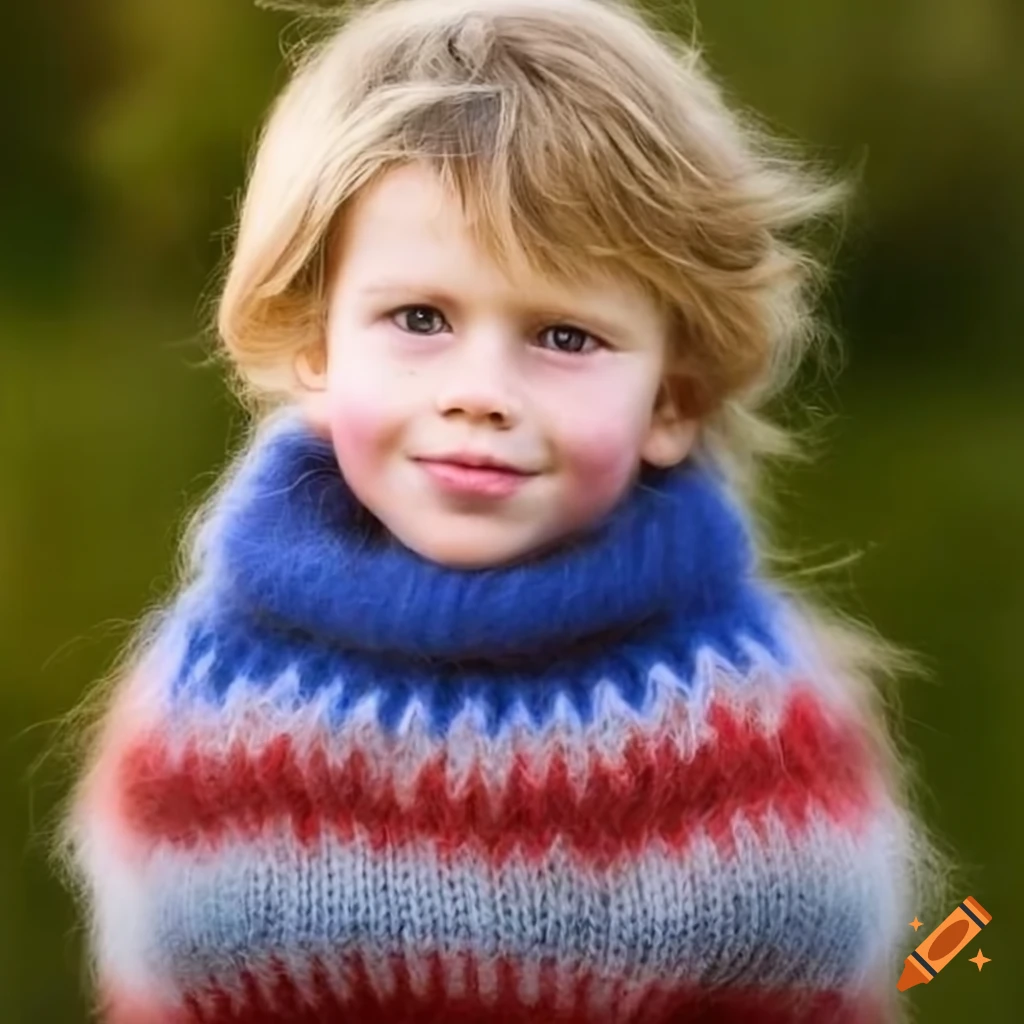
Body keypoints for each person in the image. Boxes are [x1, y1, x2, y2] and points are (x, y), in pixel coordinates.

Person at [60, 0, 942, 1020]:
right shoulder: (198, 715)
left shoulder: (760, 739)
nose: (480, 389)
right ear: (316, 342)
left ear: (671, 399)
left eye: (564, 336)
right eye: (420, 317)